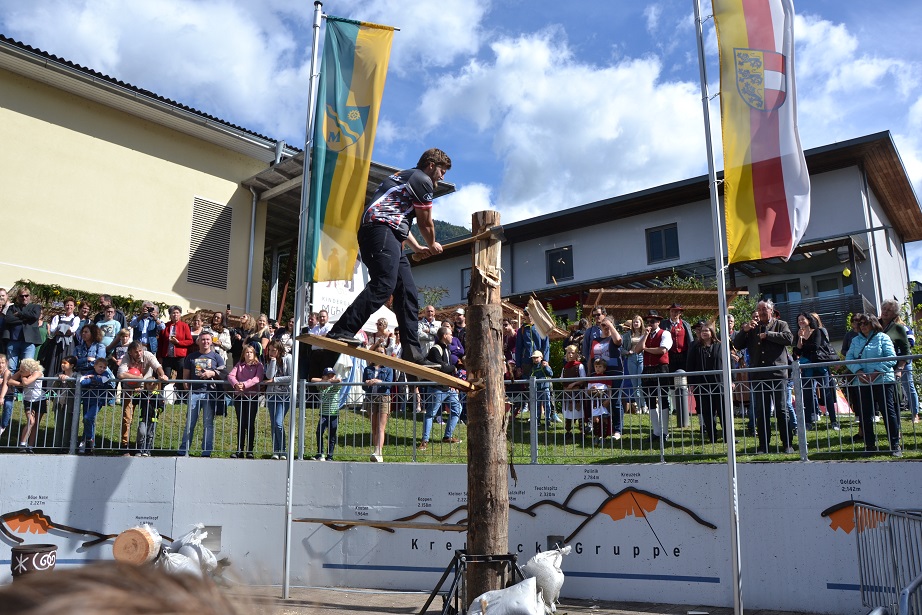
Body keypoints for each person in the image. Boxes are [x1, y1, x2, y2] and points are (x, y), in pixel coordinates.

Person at [324, 148, 450, 366]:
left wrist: (418, 246)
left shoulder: (406, 178)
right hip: (380, 231)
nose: (442, 177)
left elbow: (399, 220)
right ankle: (342, 329)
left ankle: (412, 351)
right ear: (430, 165)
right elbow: (425, 222)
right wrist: (432, 243)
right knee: (384, 283)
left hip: (388, 232)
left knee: (407, 292)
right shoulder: (422, 179)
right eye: (442, 171)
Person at [733, 300, 794, 454]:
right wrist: (744, 330)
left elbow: (789, 339)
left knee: (781, 410)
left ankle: (787, 444)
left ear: (771, 310)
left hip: (777, 374)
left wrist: (768, 335)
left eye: (764, 309)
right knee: (761, 411)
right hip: (758, 375)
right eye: (759, 309)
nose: (761, 312)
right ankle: (763, 445)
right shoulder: (752, 328)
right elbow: (737, 344)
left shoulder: (781, 324)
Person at [846, 313, 901, 456]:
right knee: (866, 414)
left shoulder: (883, 337)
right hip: (863, 381)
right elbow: (849, 358)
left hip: (883, 380)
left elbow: (891, 357)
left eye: (866, 323)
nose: (862, 326)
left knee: (888, 412)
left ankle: (895, 444)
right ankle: (869, 445)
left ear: (873, 324)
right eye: (861, 324)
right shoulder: (855, 340)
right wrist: (858, 372)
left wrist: (876, 372)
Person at [178, 335, 226, 457]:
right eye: (203, 339)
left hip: (210, 394)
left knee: (208, 423)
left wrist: (212, 373)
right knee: (190, 422)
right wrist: (185, 385)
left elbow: (224, 373)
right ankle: (184, 449)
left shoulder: (216, 357)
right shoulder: (191, 357)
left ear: (211, 342)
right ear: (198, 341)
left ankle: (206, 450)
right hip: (194, 393)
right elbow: (185, 375)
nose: (205, 342)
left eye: (208, 340)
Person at [118, 341, 169, 456]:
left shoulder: (148, 355)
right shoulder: (126, 358)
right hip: (129, 389)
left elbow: (157, 366)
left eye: (140, 351)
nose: (139, 354)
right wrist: (137, 377)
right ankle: (124, 445)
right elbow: (121, 374)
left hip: (144, 390)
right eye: (136, 352)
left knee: (146, 416)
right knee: (127, 417)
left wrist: (162, 375)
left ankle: (143, 447)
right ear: (130, 352)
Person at [792, 312, 840, 431]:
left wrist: (802, 347)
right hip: (807, 368)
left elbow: (815, 346)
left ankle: (834, 421)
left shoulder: (817, 331)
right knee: (807, 394)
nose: (801, 322)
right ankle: (808, 421)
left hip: (819, 365)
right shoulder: (799, 334)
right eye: (799, 321)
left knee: (826, 392)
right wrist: (800, 339)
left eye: (803, 319)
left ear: (809, 320)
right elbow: (796, 352)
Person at [418, 326, 464, 450]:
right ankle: (424, 440)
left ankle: (447, 436)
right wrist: (453, 368)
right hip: (436, 387)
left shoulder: (446, 348)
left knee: (457, 409)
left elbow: (446, 367)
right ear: (444, 336)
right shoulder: (435, 349)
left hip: (448, 387)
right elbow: (442, 367)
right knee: (430, 414)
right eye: (450, 334)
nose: (452, 337)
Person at [879, 299, 918, 425]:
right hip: (881, 366)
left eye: (889, 310)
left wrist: (900, 367)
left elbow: (910, 343)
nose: (885, 312)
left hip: (900, 364)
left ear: (895, 314)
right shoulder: (875, 325)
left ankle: (914, 413)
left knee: (907, 387)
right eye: (884, 308)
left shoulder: (901, 328)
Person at [686, 322, 726, 443]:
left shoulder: (720, 346)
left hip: (719, 383)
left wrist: (732, 380)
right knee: (707, 412)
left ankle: (727, 436)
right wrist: (691, 383)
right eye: (702, 331)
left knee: (723, 410)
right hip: (702, 384)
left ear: (712, 332)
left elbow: (729, 363)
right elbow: (690, 366)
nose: (704, 333)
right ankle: (712, 436)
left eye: (706, 330)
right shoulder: (695, 347)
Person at [227, 344, 265, 459]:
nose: (249, 354)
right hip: (240, 397)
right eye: (247, 352)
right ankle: (239, 450)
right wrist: (236, 384)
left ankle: (250, 450)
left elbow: (258, 378)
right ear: (243, 354)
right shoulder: (239, 365)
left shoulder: (259, 365)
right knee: (241, 423)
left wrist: (245, 384)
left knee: (250, 423)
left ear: (254, 355)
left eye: (251, 352)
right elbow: (230, 375)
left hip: (251, 397)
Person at [587, 317, 623, 436]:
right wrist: (589, 373)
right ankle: (602, 428)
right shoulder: (595, 340)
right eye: (603, 325)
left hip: (615, 372)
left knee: (614, 400)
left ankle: (617, 429)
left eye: (608, 325)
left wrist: (611, 326)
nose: (606, 327)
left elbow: (618, 340)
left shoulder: (613, 337)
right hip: (598, 373)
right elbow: (591, 357)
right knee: (599, 399)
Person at [642, 310, 672, 445]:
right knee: (650, 400)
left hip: (661, 368)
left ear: (658, 322)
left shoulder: (665, 333)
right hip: (647, 369)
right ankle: (656, 431)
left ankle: (665, 432)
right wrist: (645, 336)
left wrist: (646, 349)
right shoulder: (646, 335)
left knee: (663, 398)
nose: (650, 324)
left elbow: (662, 350)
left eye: (653, 321)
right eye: (648, 322)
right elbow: (637, 349)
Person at [78, 357, 116, 455]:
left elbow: (104, 381)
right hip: (87, 400)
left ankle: (89, 439)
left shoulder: (105, 374)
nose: (102, 369)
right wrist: (91, 379)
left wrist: (92, 378)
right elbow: (82, 382)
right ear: (95, 366)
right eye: (100, 367)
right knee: (87, 421)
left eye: (104, 367)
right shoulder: (89, 372)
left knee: (88, 418)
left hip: (97, 401)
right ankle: (87, 444)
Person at [363, 345, 394, 462]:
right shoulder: (368, 369)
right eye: (378, 352)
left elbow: (389, 384)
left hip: (383, 397)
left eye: (382, 352)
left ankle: (379, 451)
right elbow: (363, 387)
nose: (380, 354)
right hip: (371, 397)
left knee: (381, 426)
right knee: (373, 426)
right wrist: (367, 383)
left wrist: (378, 381)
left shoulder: (388, 368)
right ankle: (375, 450)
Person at [264, 340, 293, 459]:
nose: (271, 353)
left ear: (279, 350)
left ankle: (283, 450)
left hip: (284, 395)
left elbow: (291, 377)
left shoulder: (288, 358)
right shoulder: (270, 360)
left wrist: (275, 381)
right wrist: (273, 361)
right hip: (271, 395)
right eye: (270, 350)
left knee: (278, 422)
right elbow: (269, 376)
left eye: (274, 351)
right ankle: (276, 450)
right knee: (273, 424)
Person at [9, 358, 45, 452]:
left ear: (29, 370)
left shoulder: (37, 373)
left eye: (22, 370)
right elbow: (10, 381)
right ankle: (22, 444)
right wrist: (22, 379)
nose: (20, 372)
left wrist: (23, 379)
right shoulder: (23, 372)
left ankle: (30, 446)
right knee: (31, 421)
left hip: (40, 400)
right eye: (20, 370)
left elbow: (26, 382)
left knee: (36, 424)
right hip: (28, 400)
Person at [2, 286, 42, 372]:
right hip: (13, 341)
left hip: (28, 342)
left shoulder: (35, 307)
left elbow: (34, 316)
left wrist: (19, 314)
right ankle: (11, 385)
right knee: (11, 368)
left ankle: (25, 385)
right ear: (18, 297)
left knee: (27, 368)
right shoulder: (12, 308)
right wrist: (26, 318)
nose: (24, 298)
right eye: (21, 296)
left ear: (29, 296)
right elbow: (8, 319)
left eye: (26, 295)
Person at [43, 296, 79, 376]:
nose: (69, 307)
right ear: (64, 306)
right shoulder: (57, 317)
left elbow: (73, 330)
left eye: (71, 305)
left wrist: (60, 329)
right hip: (56, 344)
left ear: (74, 307)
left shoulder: (76, 318)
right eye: (67, 305)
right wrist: (66, 329)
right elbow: (52, 331)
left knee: (67, 363)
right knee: (53, 362)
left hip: (68, 345)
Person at [312, 367, 342, 461]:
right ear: (324, 376)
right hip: (323, 414)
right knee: (319, 432)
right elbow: (312, 379)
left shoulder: (335, 386)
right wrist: (324, 381)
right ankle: (320, 453)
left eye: (332, 375)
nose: (331, 377)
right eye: (328, 376)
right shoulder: (321, 385)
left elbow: (339, 381)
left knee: (332, 434)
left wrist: (330, 381)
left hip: (334, 414)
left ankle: (330, 455)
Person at [158, 306, 194, 380]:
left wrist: (178, 343)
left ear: (180, 314)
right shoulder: (165, 326)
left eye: (177, 313)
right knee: (165, 376)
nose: (175, 315)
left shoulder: (184, 326)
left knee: (181, 376)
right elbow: (161, 343)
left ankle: (180, 391)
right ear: (170, 315)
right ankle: (165, 391)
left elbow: (190, 341)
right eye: (173, 313)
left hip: (180, 357)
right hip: (167, 357)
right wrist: (160, 357)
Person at [50, 355, 78, 451]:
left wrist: (69, 380)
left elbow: (76, 389)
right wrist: (59, 380)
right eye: (62, 362)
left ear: (72, 365)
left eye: (65, 363)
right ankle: (57, 447)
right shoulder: (58, 375)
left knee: (68, 426)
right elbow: (53, 388)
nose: (62, 365)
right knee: (58, 426)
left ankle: (66, 446)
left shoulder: (76, 376)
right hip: (59, 403)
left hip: (70, 404)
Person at [560, 344, 587, 439]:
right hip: (567, 393)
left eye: (572, 353)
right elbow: (561, 379)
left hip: (577, 393)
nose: (570, 355)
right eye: (568, 353)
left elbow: (583, 379)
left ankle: (582, 431)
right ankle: (568, 431)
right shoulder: (565, 368)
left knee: (579, 411)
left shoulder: (580, 366)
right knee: (568, 412)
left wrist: (574, 384)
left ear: (576, 355)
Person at [623, 314, 648, 414]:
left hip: (642, 357)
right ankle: (639, 406)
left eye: (637, 321)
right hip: (631, 358)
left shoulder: (645, 333)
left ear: (641, 323)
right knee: (634, 384)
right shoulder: (627, 335)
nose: (635, 323)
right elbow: (622, 348)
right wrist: (627, 352)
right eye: (634, 322)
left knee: (641, 383)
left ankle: (644, 405)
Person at [525, 349, 557, 429]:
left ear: (541, 357)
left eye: (537, 357)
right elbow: (530, 377)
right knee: (537, 406)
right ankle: (537, 421)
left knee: (547, 406)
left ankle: (547, 421)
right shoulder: (533, 368)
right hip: (537, 389)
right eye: (534, 358)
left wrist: (546, 367)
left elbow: (551, 374)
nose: (535, 359)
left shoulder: (545, 365)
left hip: (545, 388)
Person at [664, 303, 693, 376]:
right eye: (672, 311)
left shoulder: (685, 324)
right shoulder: (664, 324)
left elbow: (690, 339)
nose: (674, 313)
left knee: (684, 374)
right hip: (670, 354)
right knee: (671, 375)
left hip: (683, 354)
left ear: (680, 313)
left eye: (676, 311)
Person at [581, 307, 607, 371]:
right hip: (595, 366)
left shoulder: (610, 329)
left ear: (604, 315)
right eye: (594, 315)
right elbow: (585, 350)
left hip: (609, 363)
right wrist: (590, 363)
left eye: (598, 314)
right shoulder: (589, 331)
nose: (596, 317)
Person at [0, 354, 14, 439]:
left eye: (2, 363)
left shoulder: (7, 372)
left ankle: (2, 426)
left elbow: (5, 385)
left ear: (6, 363)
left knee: (8, 405)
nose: (0, 365)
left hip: (8, 394)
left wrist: (1, 397)